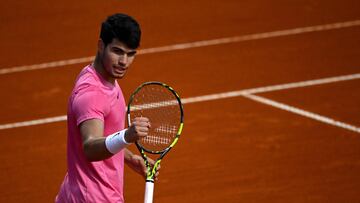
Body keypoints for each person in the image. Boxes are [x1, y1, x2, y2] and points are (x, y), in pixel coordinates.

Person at [56, 13, 158, 203]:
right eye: (118, 51)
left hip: (75, 191)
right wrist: (127, 136)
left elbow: (106, 135)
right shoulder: (92, 94)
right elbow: (90, 147)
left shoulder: (99, 76)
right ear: (101, 45)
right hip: (96, 197)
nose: (124, 62)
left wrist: (128, 157)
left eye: (131, 54)